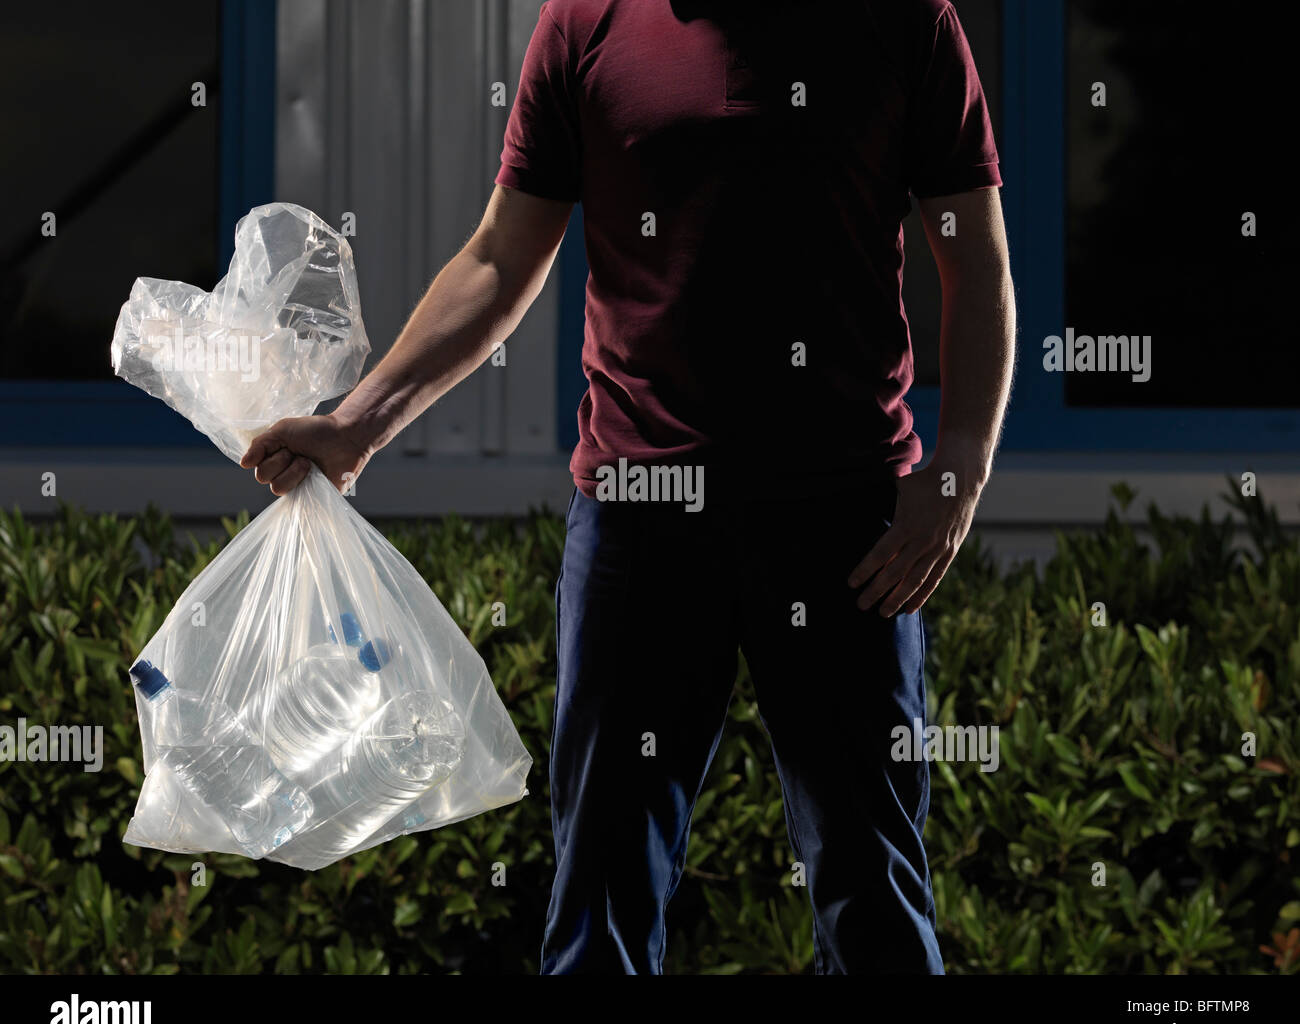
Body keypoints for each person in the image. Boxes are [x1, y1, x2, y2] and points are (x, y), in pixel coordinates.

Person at [241, 0, 1015, 974]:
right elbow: (498, 256)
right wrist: (358, 423)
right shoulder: (584, 23)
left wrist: (957, 468)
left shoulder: (903, 21)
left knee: (873, 889)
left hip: (844, 520)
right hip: (640, 514)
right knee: (602, 887)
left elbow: (975, 258)